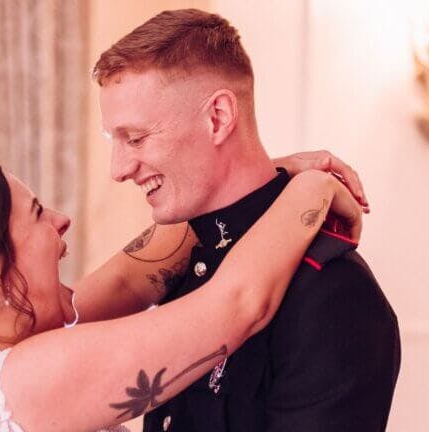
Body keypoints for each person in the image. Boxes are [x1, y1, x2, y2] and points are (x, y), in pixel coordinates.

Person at [0, 158, 363, 432]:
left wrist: (259, 175)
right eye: (39, 215)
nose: (62, 221)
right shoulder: (26, 376)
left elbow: (128, 278)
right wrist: (313, 187)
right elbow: (238, 305)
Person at [91, 8, 400, 432]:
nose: (119, 169)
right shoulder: (186, 260)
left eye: (136, 137)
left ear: (217, 117)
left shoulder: (334, 292)